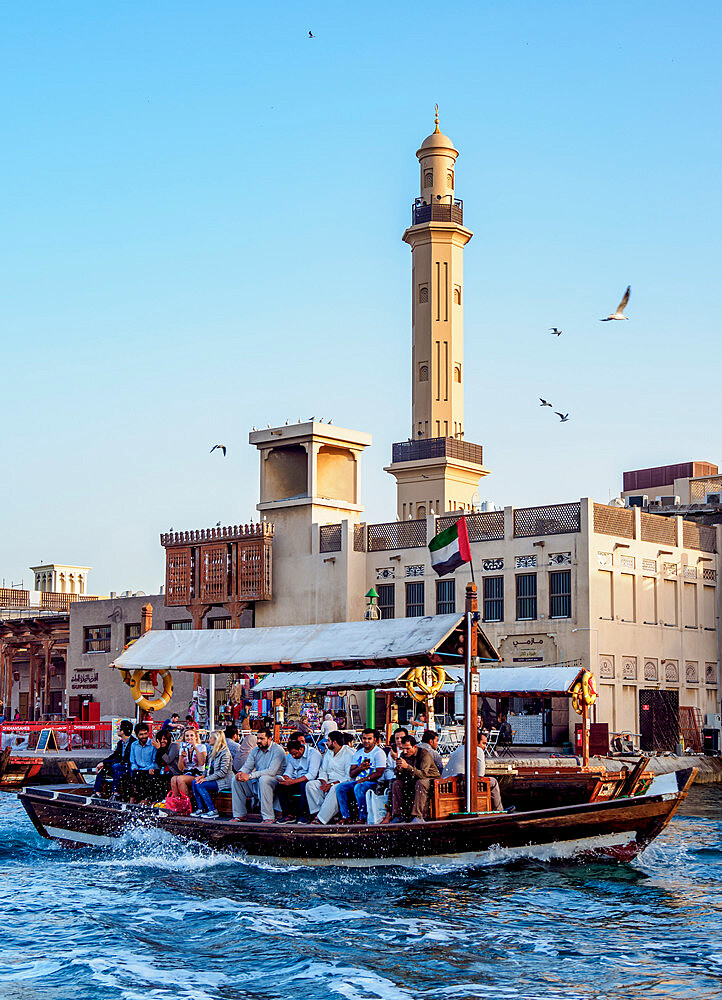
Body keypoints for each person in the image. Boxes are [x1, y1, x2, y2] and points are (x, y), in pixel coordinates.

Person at [231, 727, 286, 823]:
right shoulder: (255, 750)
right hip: (258, 780)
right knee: (235, 780)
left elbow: (271, 771)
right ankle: (239, 815)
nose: (259, 741)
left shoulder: (278, 750)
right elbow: (247, 766)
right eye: (258, 738)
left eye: (262, 739)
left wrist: (250, 776)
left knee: (264, 779)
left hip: (275, 781)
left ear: (269, 739)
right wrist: (240, 773)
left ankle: (268, 817)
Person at [442, 730, 505, 812]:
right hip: (459, 784)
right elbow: (481, 775)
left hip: (445, 784)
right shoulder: (477, 750)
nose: (485, 747)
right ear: (476, 741)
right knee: (493, 782)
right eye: (484, 743)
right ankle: (499, 810)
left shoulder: (458, 749)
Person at [335, 729, 387, 824]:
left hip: (375, 782)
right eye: (364, 738)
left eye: (369, 739)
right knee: (340, 788)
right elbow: (351, 773)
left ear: (375, 740)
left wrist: (364, 779)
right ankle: (346, 816)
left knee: (359, 787)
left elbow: (379, 772)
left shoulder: (379, 753)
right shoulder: (358, 753)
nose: (366, 741)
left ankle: (363, 818)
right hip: (359, 781)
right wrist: (360, 768)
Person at [306, 731, 353, 824]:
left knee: (335, 789)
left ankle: (321, 819)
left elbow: (348, 777)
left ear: (334, 742)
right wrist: (324, 783)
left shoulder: (349, 753)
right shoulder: (329, 753)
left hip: (341, 782)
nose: (326, 743)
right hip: (328, 780)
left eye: (328, 741)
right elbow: (323, 770)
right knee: (310, 785)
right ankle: (319, 812)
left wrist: (331, 785)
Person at [390, 735, 440, 823]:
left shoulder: (424, 754)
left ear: (415, 747)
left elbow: (423, 774)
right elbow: (399, 776)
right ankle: (398, 815)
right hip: (413, 780)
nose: (405, 751)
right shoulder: (403, 755)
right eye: (403, 749)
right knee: (396, 783)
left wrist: (407, 767)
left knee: (421, 783)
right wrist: (399, 768)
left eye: (408, 749)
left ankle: (417, 816)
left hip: (430, 780)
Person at [276, 737, 322, 822]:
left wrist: (292, 781)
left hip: (311, 781)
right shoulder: (291, 756)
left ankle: (304, 815)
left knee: (304, 785)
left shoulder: (313, 754)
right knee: (280, 786)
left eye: (295, 754)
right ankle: (288, 814)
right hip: (296, 780)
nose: (293, 756)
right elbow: (289, 771)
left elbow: (312, 775)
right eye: (292, 754)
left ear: (301, 749)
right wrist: (285, 778)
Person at [191, 731, 233, 819]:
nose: (208, 740)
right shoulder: (212, 751)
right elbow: (207, 767)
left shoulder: (225, 753)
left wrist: (206, 779)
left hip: (224, 781)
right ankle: (201, 808)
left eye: (210, 738)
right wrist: (203, 776)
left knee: (201, 785)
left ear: (216, 739)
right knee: (195, 782)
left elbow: (223, 772)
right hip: (214, 778)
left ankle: (212, 810)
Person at [92, 720, 136, 798]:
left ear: (122, 731)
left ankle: (115, 791)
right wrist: (102, 762)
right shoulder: (120, 743)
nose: (117, 730)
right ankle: (97, 791)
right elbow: (114, 756)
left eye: (118, 728)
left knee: (116, 766)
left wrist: (105, 763)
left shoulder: (134, 743)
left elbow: (123, 759)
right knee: (103, 768)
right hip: (120, 765)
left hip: (128, 766)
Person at [170, 727, 207, 803]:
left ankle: (187, 802)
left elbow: (202, 763)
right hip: (187, 773)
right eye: (187, 736)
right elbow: (181, 768)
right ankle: (178, 802)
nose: (189, 738)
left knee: (180, 779)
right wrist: (182, 758)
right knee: (173, 779)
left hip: (199, 775)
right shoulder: (182, 748)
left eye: (191, 735)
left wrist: (195, 748)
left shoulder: (201, 747)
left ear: (196, 737)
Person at [123, 723, 157, 802]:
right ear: (137, 735)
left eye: (145, 734)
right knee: (127, 775)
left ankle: (145, 799)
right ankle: (131, 798)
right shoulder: (134, 745)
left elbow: (154, 761)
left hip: (149, 769)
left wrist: (147, 769)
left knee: (145, 777)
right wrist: (135, 768)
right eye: (141, 734)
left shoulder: (153, 744)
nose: (144, 736)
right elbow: (132, 760)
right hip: (137, 769)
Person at [152, 728, 181, 800]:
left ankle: (167, 800)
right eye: (160, 739)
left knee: (163, 780)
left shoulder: (174, 746)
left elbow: (168, 760)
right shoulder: (158, 747)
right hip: (162, 771)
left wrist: (159, 749)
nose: (162, 741)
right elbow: (156, 761)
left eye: (164, 739)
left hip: (173, 772)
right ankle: (155, 800)